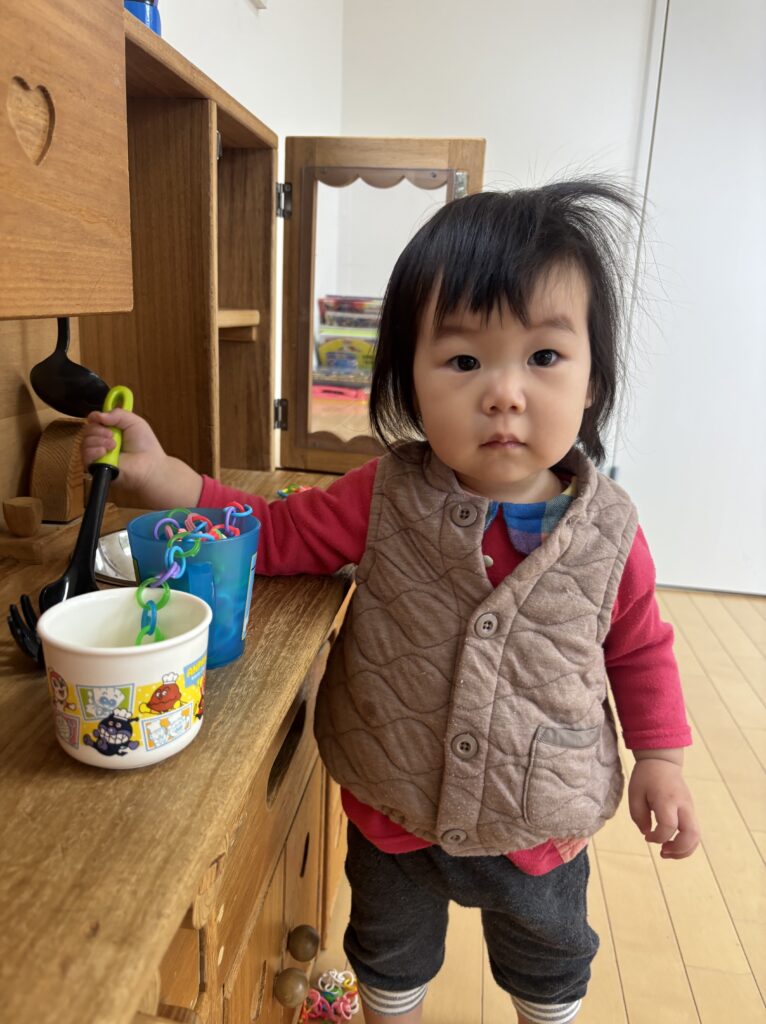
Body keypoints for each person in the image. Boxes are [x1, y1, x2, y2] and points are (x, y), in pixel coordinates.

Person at [82, 180, 700, 1024]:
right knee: (387, 953)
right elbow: (275, 534)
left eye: (545, 357)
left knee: (550, 965)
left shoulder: (611, 531)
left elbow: (640, 647)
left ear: (593, 379)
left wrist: (661, 757)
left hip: (539, 822)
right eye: (464, 361)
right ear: (409, 380)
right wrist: (167, 478)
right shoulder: (382, 494)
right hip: (391, 808)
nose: (505, 393)